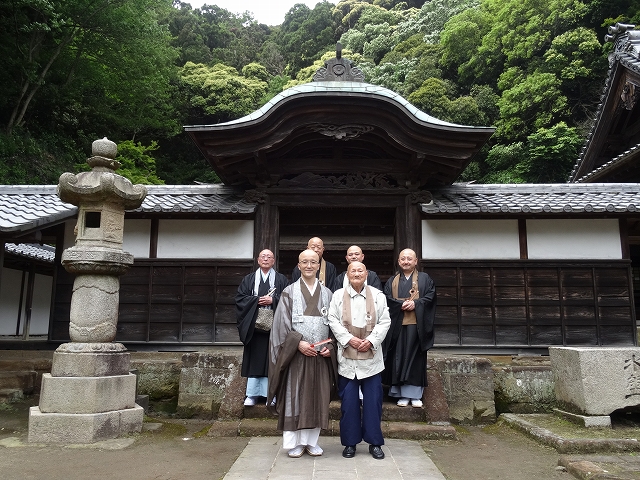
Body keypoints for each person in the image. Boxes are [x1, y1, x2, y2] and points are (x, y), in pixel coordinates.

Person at [268, 249, 336, 458]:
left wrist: (330, 348)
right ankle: (295, 443)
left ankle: (311, 442)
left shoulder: (328, 294)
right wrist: (297, 344)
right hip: (296, 356)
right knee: (294, 397)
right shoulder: (289, 292)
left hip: (319, 357)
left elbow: (335, 327)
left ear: (318, 266)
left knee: (318, 397)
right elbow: (281, 326)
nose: (308, 265)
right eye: (304, 262)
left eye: (313, 262)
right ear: (298, 266)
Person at [328, 261, 391, 460]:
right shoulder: (338, 295)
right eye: (352, 270)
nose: (356, 273)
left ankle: (374, 443)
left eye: (360, 270)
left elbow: (385, 321)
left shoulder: (378, 295)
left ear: (367, 274)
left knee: (373, 402)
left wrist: (371, 340)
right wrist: (349, 339)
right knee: (349, 403)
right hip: (347, 358)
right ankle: (350, 443)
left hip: (371, 359)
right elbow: (333, 320)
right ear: (347, 274)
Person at [383, 248, 436, 408]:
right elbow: (386, 300)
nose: (406, 261)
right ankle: (400, 394)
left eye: (409, 259)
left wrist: (416, 303)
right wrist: (399, 304)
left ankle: (415, 395)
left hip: (416, 325)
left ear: (415, 261)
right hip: (397, 325)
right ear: (398, 261)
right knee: (397, 358)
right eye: (403, 259)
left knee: (414, 359)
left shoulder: (425, 279)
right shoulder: (392, 281)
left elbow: (430, 297)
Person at [235, 249, 289, 406]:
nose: (266, 259)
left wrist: (273, 300)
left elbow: (287, 299)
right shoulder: (249, 279)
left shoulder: (280, 279)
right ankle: (251, 395)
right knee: (255, 359)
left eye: (269, 257)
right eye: (263, 257)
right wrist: (256, 301)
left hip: (274, 327)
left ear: (273, 261)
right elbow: (240, 299)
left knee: (272, 359)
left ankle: (271, 395)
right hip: (255, 327)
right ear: (258, 260)